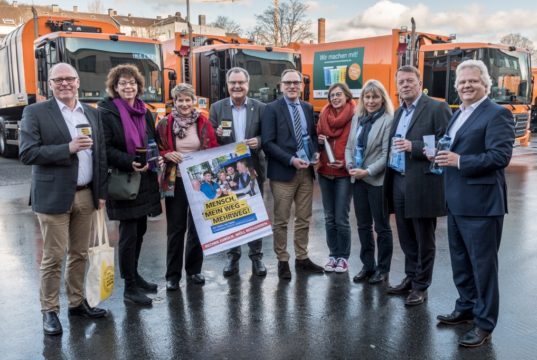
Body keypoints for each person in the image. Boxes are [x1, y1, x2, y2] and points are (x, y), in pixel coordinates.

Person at [19, 63, 108, 336]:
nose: (65, 84)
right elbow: (27, 153)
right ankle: (49, 311)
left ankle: (77, 302)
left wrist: (101, 193)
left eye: (69, 79)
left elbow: (100, 155)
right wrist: (67, 148)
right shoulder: (35, 112)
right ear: (51, 85)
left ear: (78, 82)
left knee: (80, 254)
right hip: (53, 196)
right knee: (54, 257)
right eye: (59, 80)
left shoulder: (92, 114)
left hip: (85, 195)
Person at [434, 60, 514, 347]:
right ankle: (466, 307)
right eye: (462, 82)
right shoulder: (459, 113)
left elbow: (500, 157)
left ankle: (484, 323)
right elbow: (454, 147)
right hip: (456, 202)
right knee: (461, 263)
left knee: (483, 268)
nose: (466, 86)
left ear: (485, 85)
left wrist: (460, 161)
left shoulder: (497, 114)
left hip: (482, 205)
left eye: (473, 81)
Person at [384, 65, 451, 305]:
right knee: (405, 236)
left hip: (423, 183)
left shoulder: (437, 107)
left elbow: (447, 144)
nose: (405, 85)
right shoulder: (399, 112)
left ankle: (422, 286)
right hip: (399, 180)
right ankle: (410, 278)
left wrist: (414, 147)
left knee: (424, 238)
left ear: (419, 81)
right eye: (401, 82)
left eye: (410, 80)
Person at [98, 64, 162, 306]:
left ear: (138, 86)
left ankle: (135, 275)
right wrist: (129, 161)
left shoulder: (144, 111)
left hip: (145, 177)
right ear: (115, 87)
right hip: (124, 178)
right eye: (123, 83)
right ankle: (129, 287)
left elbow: (151, 139)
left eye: (132, 83)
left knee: (141, 230)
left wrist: (156, 156)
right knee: (128, 234)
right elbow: (104, 147)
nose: (128, 87)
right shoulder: (107, 111)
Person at [261, 69, 323, 280]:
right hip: (283, 172)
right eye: (287, 83)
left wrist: (314, 153)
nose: (292, 86)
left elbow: (311, 136)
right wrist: (290, 160)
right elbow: (267, 143)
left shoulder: (307, 107)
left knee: (304, 218)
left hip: (306, 172)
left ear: (302, 86)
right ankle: (283, 260)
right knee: (281, 220)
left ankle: (302, 258)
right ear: (281, 86)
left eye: (296, 82)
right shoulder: (271, 109)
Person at [156, 83, 218, 291]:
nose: (184, 104)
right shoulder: (165, 124)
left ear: (193, 101)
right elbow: (158, 148)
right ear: (174, 102)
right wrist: (166, 155)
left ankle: (194, 271)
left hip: (199, 182)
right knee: (176, 229)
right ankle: (172, 276)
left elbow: (214, 147)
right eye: (180, 100)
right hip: (176, 181)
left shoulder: (203, 122)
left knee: (198, 228)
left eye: (187, 100)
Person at [209, 67, 267, 277]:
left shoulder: (260, 107)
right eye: (233, 83)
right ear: (227, 85)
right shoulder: (217, 108)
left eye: (241, 82)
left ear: (247, 84)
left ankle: (256, 258)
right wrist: (214, 134)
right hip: (228, 170)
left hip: (253, 169)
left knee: (255, 213)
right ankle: (232, 258)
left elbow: (268, 137)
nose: (237, 86)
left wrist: (259, 141)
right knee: (231, 213)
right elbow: (209, 141)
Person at [345, 80, 394, 284]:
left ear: (382, 98)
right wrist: (349, 166)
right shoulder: (358, 119)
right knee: (363, 226)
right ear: (362, 99)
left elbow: (386, 154)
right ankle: (368, 265)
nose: (371, 101)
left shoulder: (388, 120)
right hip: (358, 179)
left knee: (382, 227)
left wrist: (368, 171)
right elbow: (349, 147)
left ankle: (382, 269)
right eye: (367, 96)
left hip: (377, 180)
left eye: (375, 96)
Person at [315, 83, 354, 273]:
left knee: (341, 218)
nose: (335, 98)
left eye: (339, 94)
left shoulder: (355, 116)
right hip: (325, 171)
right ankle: (333, 255)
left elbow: (358, 144)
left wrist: (347, 163)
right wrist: (319, 141)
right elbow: (316, 139)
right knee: (329, 217)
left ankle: (343, 257)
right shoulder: (324, 115)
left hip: (344, 174)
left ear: (347, 96)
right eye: (332, 95)